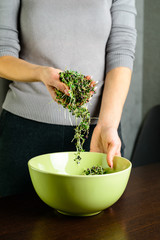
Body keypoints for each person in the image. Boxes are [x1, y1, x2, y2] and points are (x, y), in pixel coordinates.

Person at [0, 0, 137, 196]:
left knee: (103, 225)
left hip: (98, 133)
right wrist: (41, 73)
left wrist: (108, 125)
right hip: (24, 132)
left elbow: (122, 50)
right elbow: (2, 53)